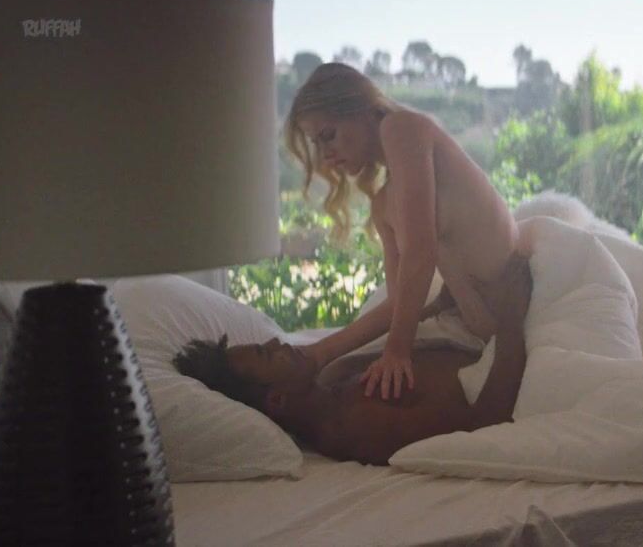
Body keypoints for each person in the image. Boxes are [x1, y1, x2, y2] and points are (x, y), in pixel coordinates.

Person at [284, 63, 524, 400]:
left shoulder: (401, 128)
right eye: (316, 144)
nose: (324, 156)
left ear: (361, 109)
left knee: (367, 384)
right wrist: (318, 354)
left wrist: (397, 351)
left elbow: (420, 251)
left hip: (523, 309)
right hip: (483, 334)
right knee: (335, 376)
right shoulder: (383, 204)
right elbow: (396, 304)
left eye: (327, 135)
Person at [173, 255, 533, 466]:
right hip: (521, 366)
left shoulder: (333, 378)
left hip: (486, 339)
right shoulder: (355, 426)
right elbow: (486, 423)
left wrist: (441, 305)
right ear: (277, 400)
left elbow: (410, 343)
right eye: (268, 354)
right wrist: (512, 318)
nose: (277, 341)